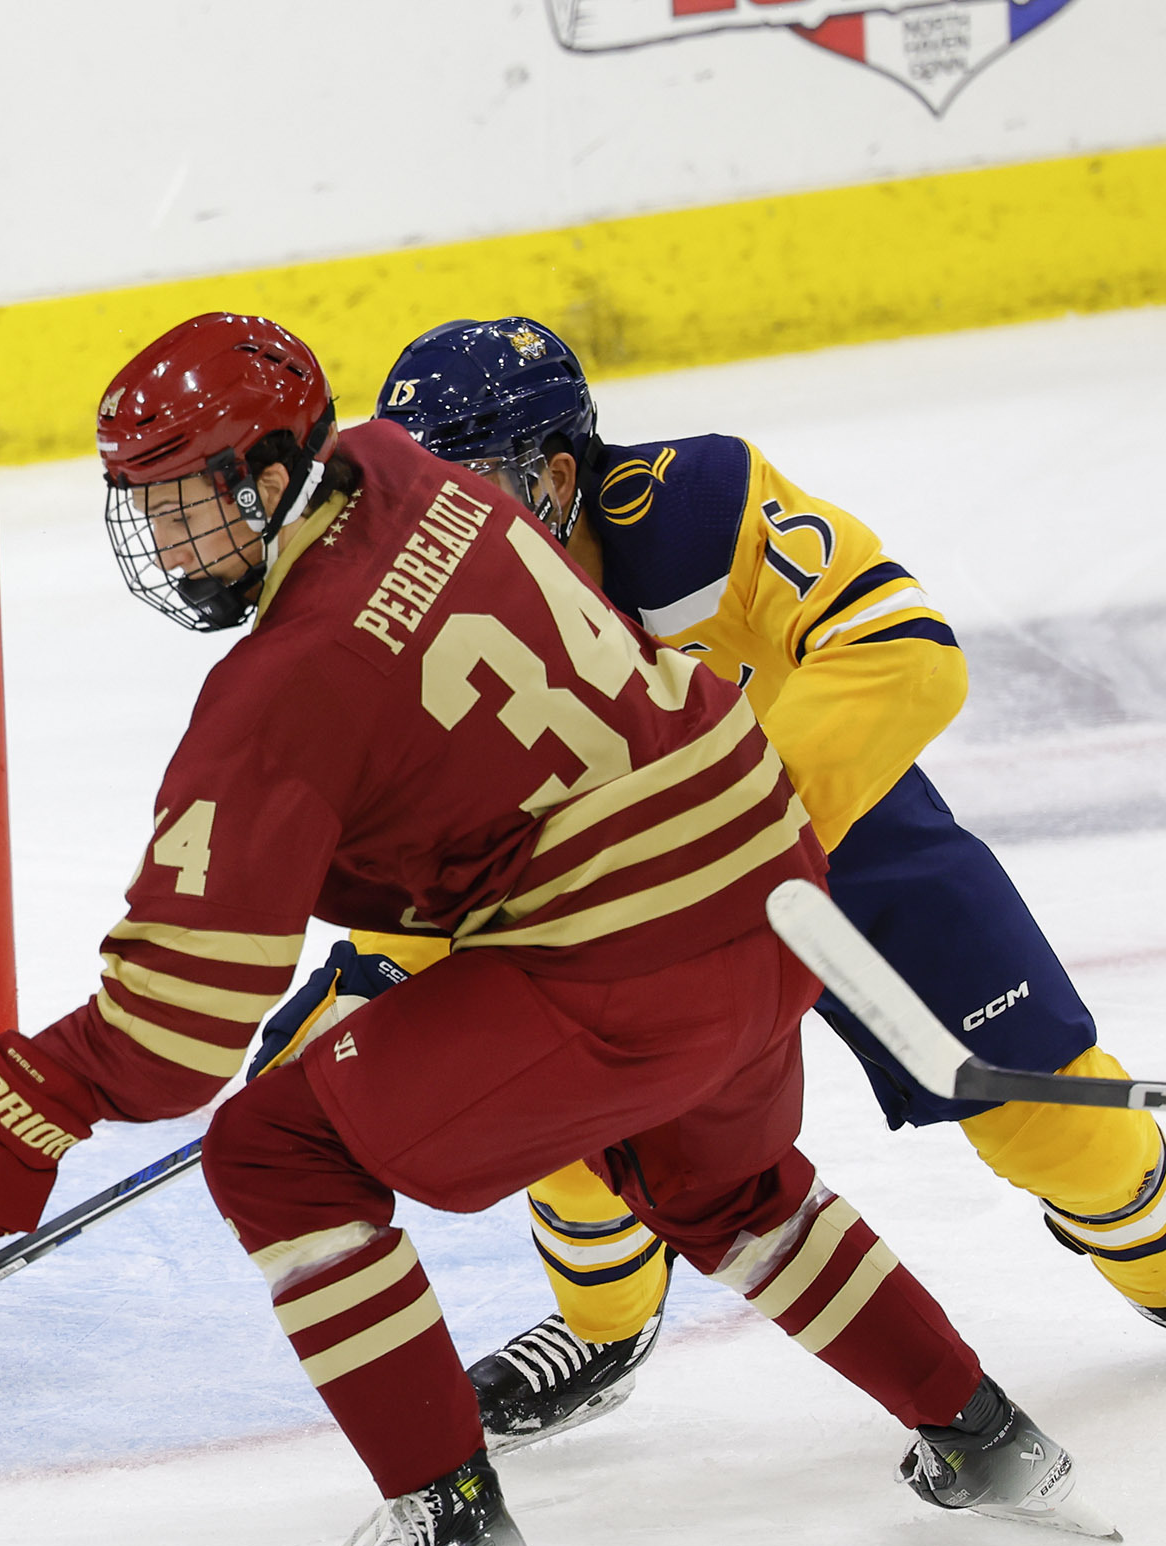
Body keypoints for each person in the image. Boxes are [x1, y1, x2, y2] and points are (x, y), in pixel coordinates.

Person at [0, 314, 1112, 1546]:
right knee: (729, 1188)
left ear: (276, 470)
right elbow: (473, 773)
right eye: (146, 512)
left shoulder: (281, 692)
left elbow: (175, 1040)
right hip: (762, 888)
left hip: (622, 958)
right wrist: (380, 964)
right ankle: (984, 1431)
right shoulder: (419, 482)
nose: (169, 551)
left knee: (276, 1150)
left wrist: (23, 1090)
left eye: (187, 505)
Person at [318, 318, 1166, 1452]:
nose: (447, 528)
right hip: (629, 903)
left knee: (1048, 1115)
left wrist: (748, 824)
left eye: (472, 489)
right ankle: (603, 1323)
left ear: (559, 472)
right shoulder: (425, 634)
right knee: (560, 1114)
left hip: (838, 835)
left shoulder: (697, 503)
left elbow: (905, 647)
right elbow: (440, 871)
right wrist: (377, 981)